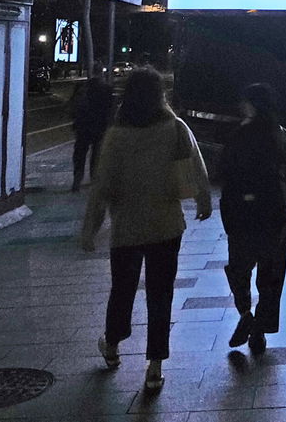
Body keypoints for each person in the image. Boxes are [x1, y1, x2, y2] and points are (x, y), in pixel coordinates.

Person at [80, 67, 212, 391]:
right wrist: (203, 201)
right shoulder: (175, 128)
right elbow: (196, 167)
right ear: (160, 95)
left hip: (127, 226)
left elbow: (102, 186)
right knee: (160, 294)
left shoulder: (116, 135)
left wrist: (90, 227)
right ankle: (154, 366)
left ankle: (112, 347)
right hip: (166, 226)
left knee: (122, 289)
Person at [220, 82, 286, 354]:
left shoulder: (239, 135)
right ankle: (260, 329)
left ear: (250, 103)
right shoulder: (280, 135)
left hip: (242, 212)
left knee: (239, 267)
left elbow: (224, 172)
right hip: (273, 211)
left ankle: (245, 313)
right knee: (271, 272)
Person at [70, 64, 114, 192]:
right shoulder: (107, 88)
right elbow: (110, 110)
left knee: (80, 152)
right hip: (99, 126)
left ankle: (77, 178)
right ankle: (94, 178)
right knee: (97, 153)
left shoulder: (82, 87)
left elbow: (73, 105)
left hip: (82, 125)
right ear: (102, 73)